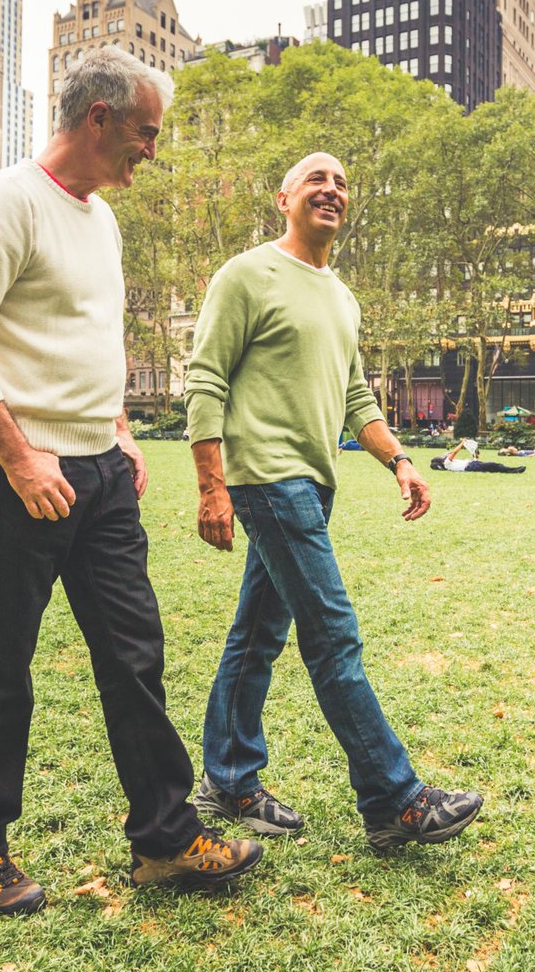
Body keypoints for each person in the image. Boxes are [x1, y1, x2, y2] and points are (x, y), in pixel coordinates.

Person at [0, 46, 260, 913]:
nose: (153, 150)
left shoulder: (102, 220)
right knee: (2, 663)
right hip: (23, 475)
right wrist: (19, 455)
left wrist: (114, 428)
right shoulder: (3, 202)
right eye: (146, 133)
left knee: (133, 655)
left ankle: (166, 837)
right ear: (99, 118)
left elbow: (92, 338)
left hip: (103, 475)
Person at [187, 151, 484, 852]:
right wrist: (210, 486)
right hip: (268, 477)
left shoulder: (342, 296)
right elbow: (205, 380)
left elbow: (357, 397)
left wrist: (400, 462)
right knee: (333, 635)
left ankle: (228, 779)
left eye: (342, 183)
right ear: (284, 198)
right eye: (316, 179)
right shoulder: (247, 275)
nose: (331, 189)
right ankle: (395, 800)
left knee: (258, 633)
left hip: (316, 484)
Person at [431, 439, 525, 474]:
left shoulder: (450, 464)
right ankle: (514, 470)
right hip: (471, 466)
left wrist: (475, 455)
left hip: (472, 465)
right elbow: (454, 452)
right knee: (494, 465)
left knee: (493, 467)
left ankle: (513, 470)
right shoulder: (447, 463)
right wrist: (462, 443)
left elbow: (453, 454)